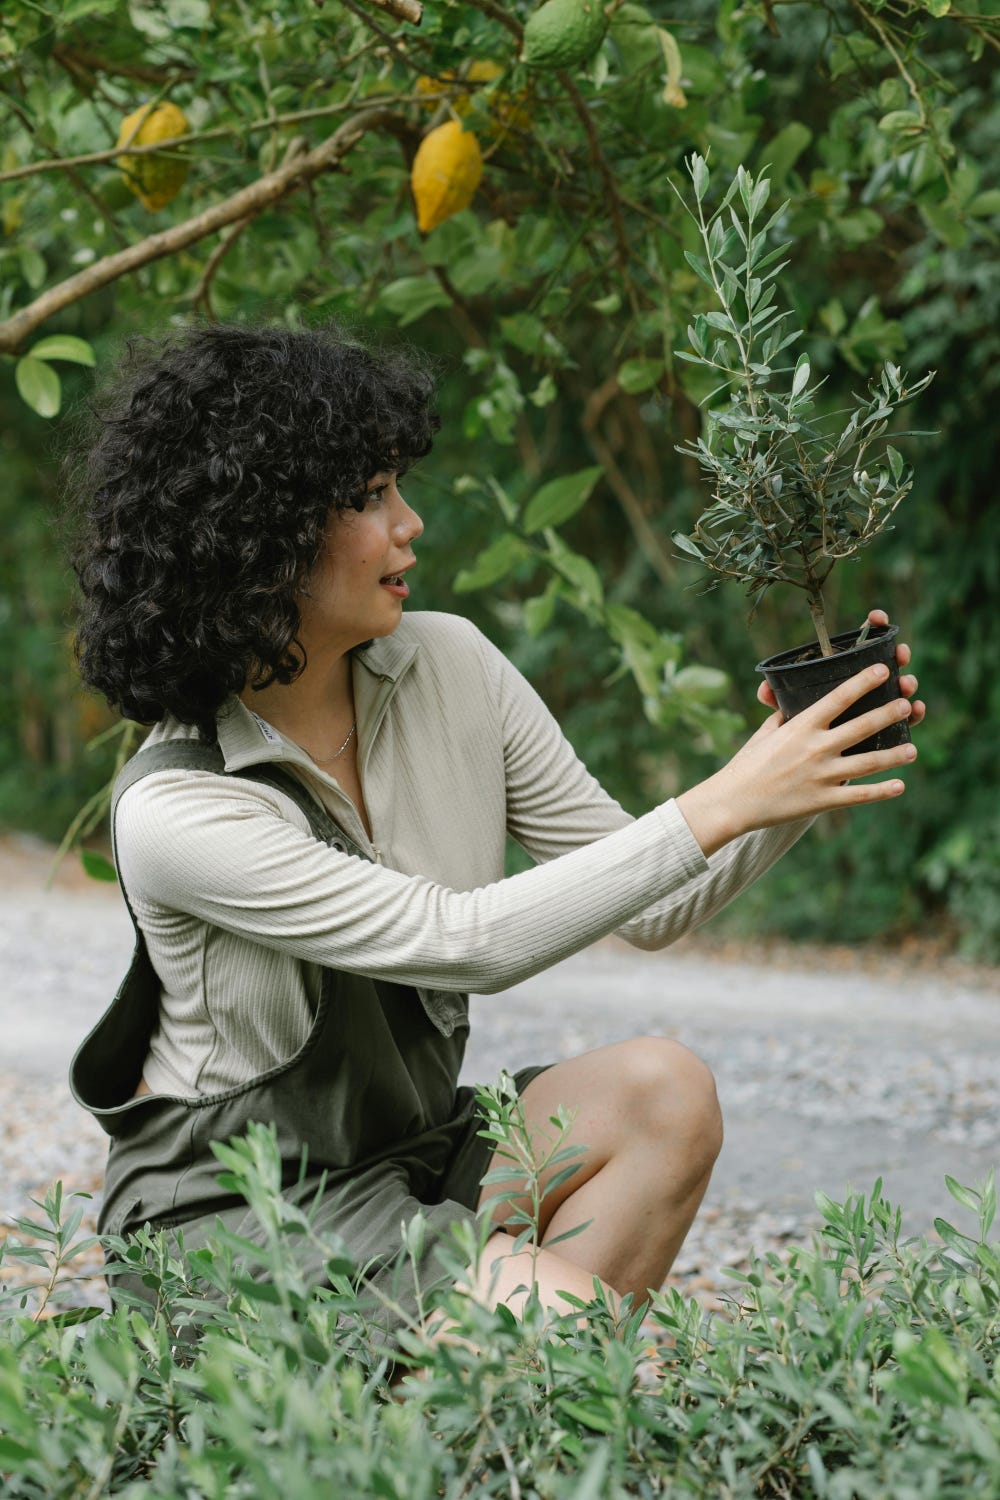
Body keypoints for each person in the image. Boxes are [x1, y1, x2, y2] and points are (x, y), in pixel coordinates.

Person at [65, 321, 924, 1344]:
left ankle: (468, 1414)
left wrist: (801, 768)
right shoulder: (178, 810)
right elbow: (463, 939)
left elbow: (663, 902)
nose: (409, 524)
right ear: (262, 532)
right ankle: (467, 1389)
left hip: (408, 1157)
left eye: (399, 487)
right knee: (568, 1341)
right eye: (369, 497)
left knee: (663, 1092)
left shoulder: (450, 666)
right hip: (238, 1223)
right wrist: (729, 796)